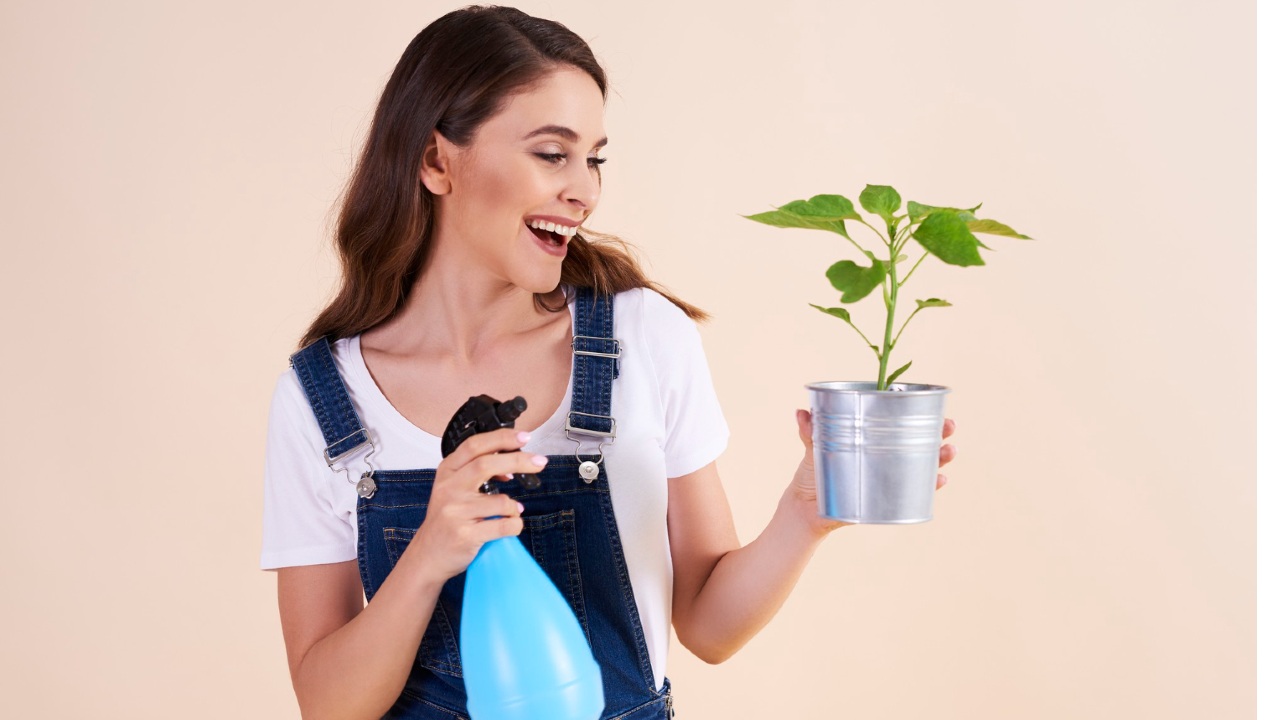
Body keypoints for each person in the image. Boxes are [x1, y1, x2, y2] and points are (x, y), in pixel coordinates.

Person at [260, 6, 958, 720]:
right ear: (437, 161)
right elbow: (329, 705)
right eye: (551, 153)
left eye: (593, 158)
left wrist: (806, 511)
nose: (584, 190)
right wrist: (430, 554)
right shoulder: (324, 397)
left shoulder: (645, 340)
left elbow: (709, 627)